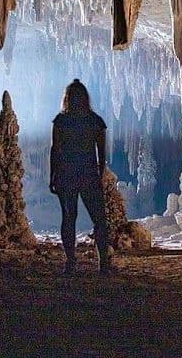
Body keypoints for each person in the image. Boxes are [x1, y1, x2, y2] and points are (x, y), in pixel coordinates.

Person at [49, 78, 110, 275]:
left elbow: (55, 150)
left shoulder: (61, 121)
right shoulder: (95, 121)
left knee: (69, 218)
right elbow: (102, 152)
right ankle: (103, 263)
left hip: (67, 174)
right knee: (99, 219)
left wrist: (53, 175)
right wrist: (100, 174)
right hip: (88, 174)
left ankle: (70, 261)